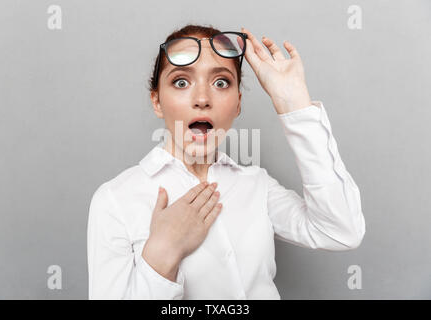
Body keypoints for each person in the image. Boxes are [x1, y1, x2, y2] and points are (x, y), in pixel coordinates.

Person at [87, 24, 366, 300]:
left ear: (237, 103)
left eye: (220, 82)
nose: (202, 99)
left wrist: (295, 105)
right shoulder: (115, 199)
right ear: (157, 102)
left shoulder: (257, 185)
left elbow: (341, 231)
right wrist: (161, 255)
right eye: (181, 82)